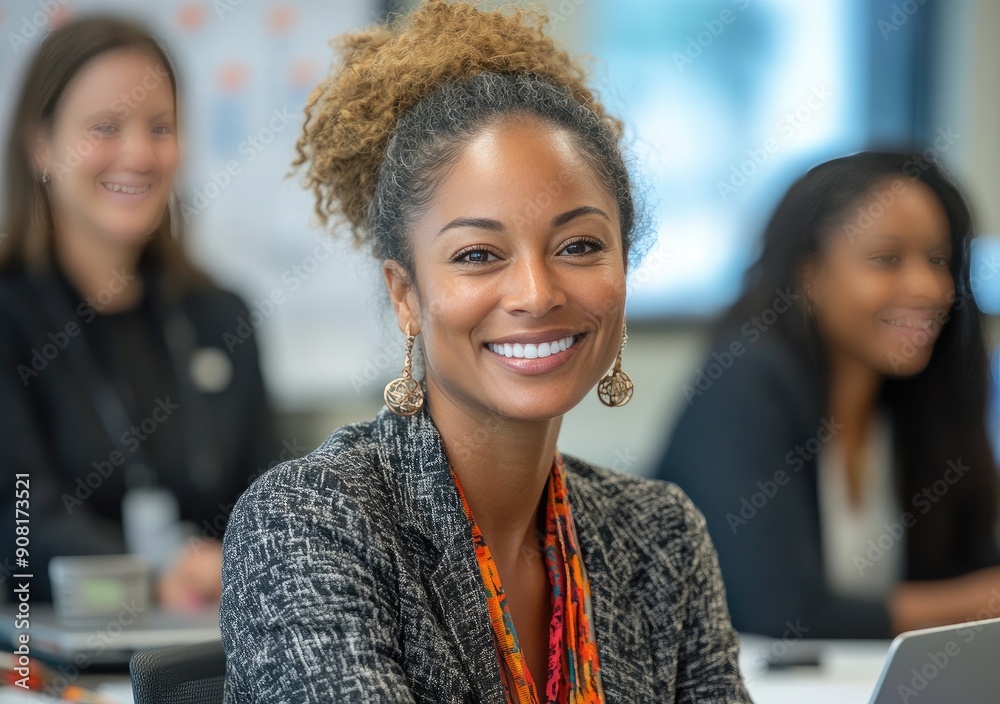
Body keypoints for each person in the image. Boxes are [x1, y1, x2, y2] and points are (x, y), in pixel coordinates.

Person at [220, 2, 751, 701]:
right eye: (478, 254)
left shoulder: (660, 538)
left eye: (580, 246)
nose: (536, 292)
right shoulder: (311, 522)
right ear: (405, 294)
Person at [656, 151, 1000, 639]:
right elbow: (781, 613)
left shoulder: (920, 401)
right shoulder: (745, 385)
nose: (929, 287)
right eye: (887, 259)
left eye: (939, 260)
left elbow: (968, 564)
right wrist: (976, 603)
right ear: (809, 275)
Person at [0, 17, 279, 609]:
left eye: (160, 127)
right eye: (105, 127)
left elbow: (272, 505)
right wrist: (152, 580)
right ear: (41, 146)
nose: (137, 154)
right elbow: (18, 532)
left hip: (217, 654)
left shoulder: (221, 317)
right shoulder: (9, 313)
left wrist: (228, 568)